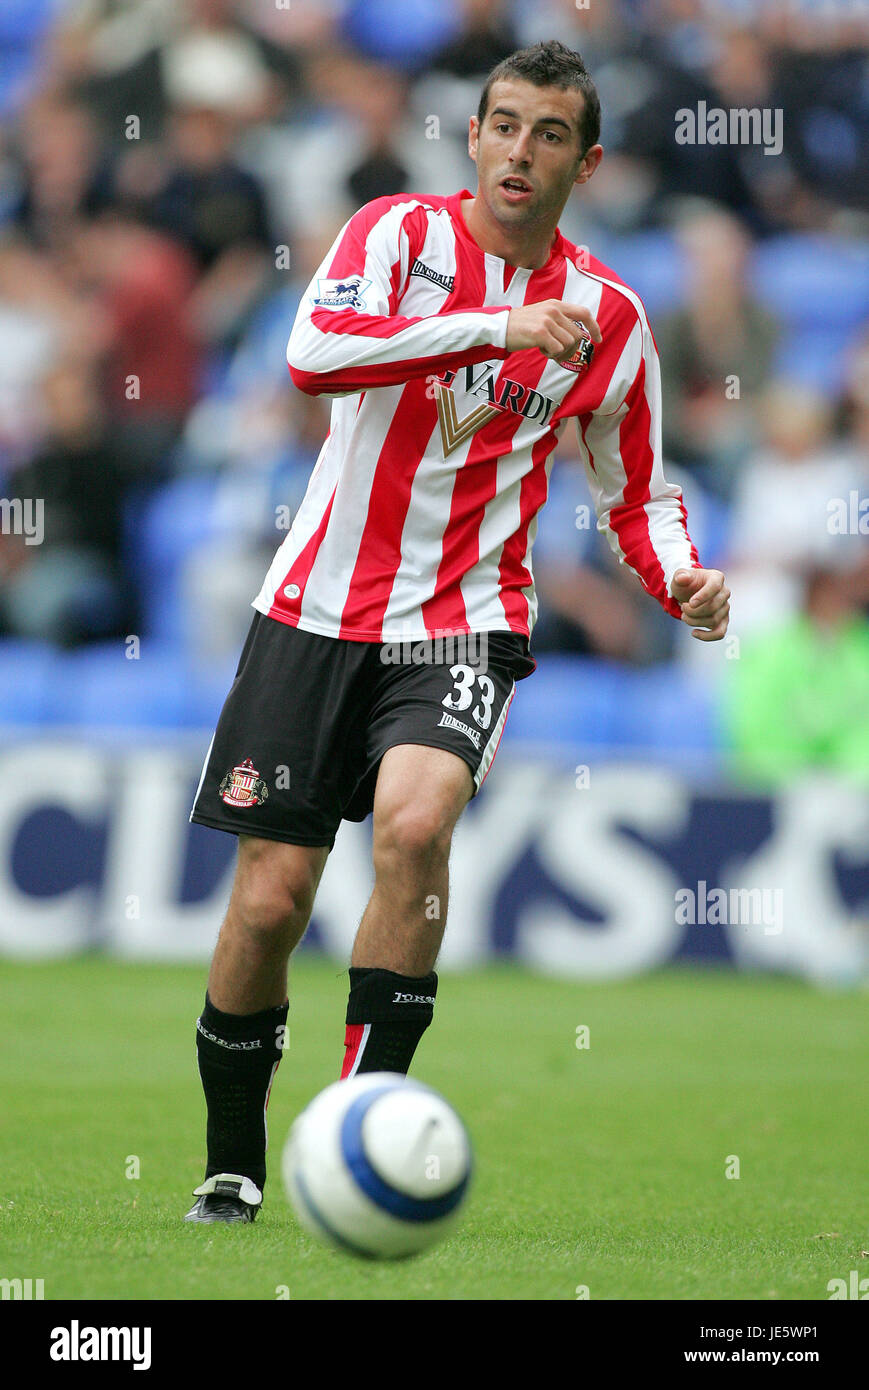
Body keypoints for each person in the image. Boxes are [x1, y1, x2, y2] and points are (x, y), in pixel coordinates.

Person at [185, 40, 730, 1224]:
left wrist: (679, 576)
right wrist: (493, 330)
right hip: (313, 608)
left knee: (416, 821)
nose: (516, 150)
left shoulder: (609, 318)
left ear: (586, 163)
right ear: (470, 137)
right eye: (500, 124)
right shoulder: (390, 236)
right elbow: (312, 356)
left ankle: (359, 1128)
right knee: (271, 901)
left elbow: (632, 488)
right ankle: (229, 1163)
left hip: (464, 614)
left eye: (545, 134)